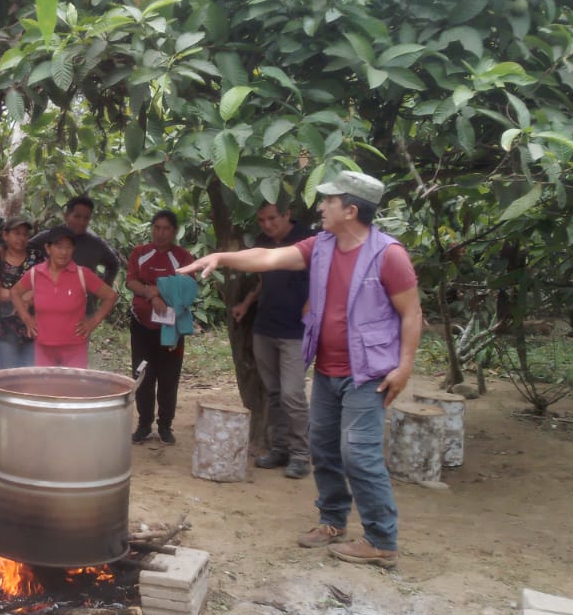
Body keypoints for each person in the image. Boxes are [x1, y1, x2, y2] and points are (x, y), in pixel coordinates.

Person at [180, 170, 421, 568]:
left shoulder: (388, 255)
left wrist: (405, 367)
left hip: (368, 374)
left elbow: (411, 313)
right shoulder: (321, 245)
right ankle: (333, 521)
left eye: (329, 201)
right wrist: (221, 257)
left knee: (359, 454)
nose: (321, 206)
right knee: (323, 447)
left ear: (351, 210)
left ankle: (381, 540)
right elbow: (269, 257)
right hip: (328, 369)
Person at [232, 202, 315, 479]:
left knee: (292, 394)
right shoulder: (262, 242)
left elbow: (325, 278)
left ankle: (300, 454)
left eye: (272, 218)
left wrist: (313, 305)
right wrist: (246, 303)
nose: (267, 225)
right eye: (261, 220)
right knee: (275, 392)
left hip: (296, 331)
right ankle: (280, 449)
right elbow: (262, 281)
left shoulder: (308, 239)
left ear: (287, 214)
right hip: (265, 326)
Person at [125, 210, 196, 445]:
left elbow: (188, 287)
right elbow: (131, 281)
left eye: (166, 228)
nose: (160, 233)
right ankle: (144, 424)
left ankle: (165, 425)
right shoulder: (140, 252)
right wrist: (152, 294)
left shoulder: (183, 257)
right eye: (156, 227)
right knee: (143, 375)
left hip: (172, 328)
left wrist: (159, 290)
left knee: (169, 376)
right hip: (142, 324)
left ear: (174, 231)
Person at [11, 228, 118, 368]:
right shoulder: (35, 273)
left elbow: (111, 296)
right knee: (45, 382)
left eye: (68, 247)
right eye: (59, 246)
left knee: (73, 383)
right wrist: (26, 318)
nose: (64, 252)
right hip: (44, 347)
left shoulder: (82, 274)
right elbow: (15, 292)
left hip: (75, 348)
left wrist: (93, 322)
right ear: (48, 248)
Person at [29, 195, 121, 286]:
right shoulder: (48, 237)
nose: (82, 222)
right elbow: (25, 250)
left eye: (86, 218)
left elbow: (114, 264)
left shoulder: (96, 244)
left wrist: (102, 289)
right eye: (77, 217)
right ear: (66, 216)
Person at [0, 215, 38, 371]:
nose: (21, 238)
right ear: (5, 235)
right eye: (17, 233)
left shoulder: (36, 257)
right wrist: (21, 296)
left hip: (32, 325)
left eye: (25, 234)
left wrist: (11, 295)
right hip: (4, 327)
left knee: (30, 373)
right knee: (9, 372)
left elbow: (44, 286)